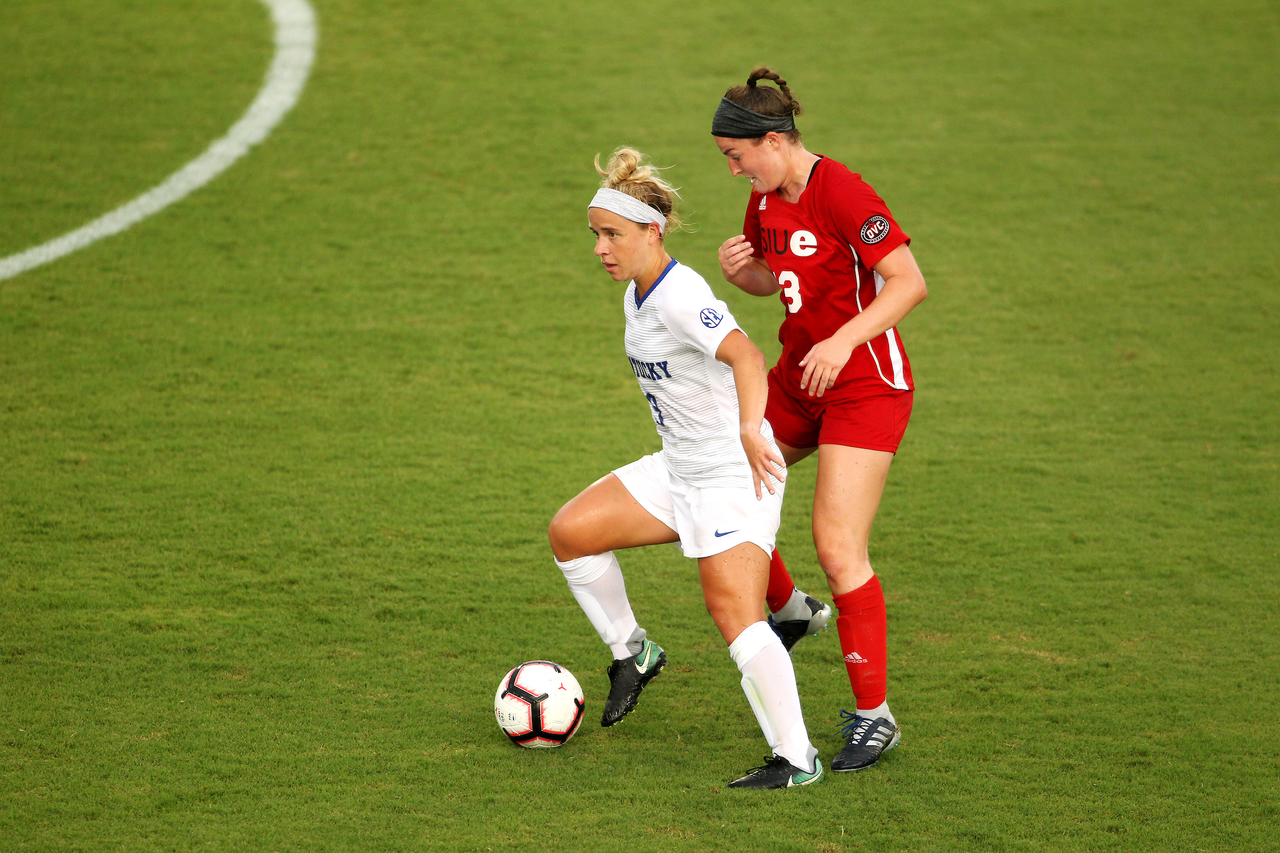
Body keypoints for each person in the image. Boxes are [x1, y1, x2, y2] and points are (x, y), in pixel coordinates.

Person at [548, 147, 822, 788]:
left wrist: (753, 432)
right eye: (596, 235)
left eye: (612, 234)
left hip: (732, 475)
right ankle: (633, 652)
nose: (600, 249)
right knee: (572, 533)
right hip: (679, 470)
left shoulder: (681, 295)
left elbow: (748, 358)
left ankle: (797, 759)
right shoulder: (636, 298)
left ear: (653, 231)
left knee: (734, 618)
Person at [710, 68, 929, 772]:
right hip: (799, 377)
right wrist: (736, 270)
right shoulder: (765, 196)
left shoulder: (844, 191)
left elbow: (908, 281)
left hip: (865, 385)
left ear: (774, 139)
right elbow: (776, 278)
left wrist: (843, 339)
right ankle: (792, 609)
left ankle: (876, 717)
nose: (735, 168)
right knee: (721, 471)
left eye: (736, 154)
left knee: (837, 544)